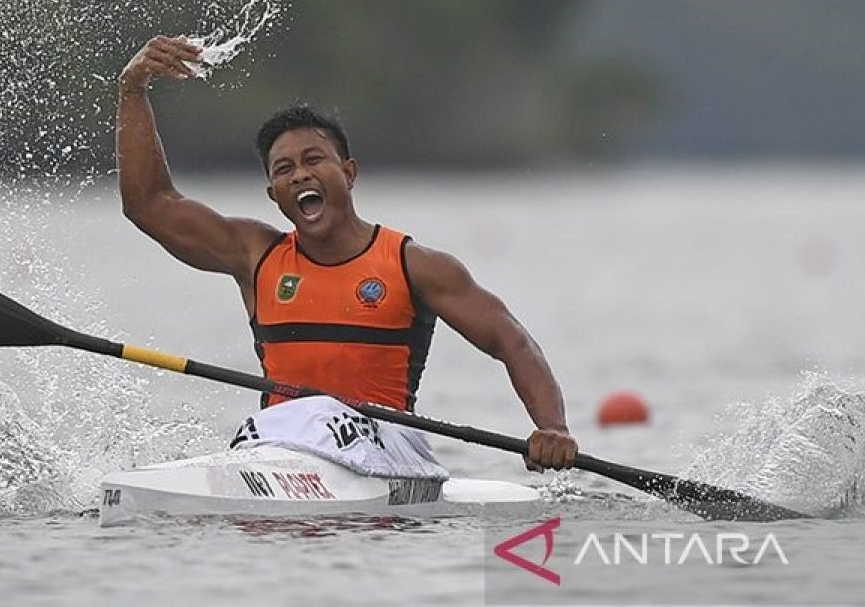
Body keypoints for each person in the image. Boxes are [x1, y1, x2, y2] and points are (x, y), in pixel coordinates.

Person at [115, 35, 578, 472]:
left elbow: (512, 341)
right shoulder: (255, 255)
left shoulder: (413, 265)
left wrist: (552, 428)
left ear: (349, 172)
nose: (300, 175)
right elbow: (150, 205)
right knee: (275, 428)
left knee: (320, 418)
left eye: (314, 160)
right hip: (278, 446)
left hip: (391, 446)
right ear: (273, 193)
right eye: (284, 169)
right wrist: (133, 89)